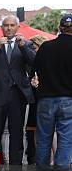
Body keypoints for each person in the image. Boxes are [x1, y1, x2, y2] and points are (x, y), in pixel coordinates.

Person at [0, 15, 35, 171]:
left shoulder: (26, 44)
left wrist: (24, 46)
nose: (9, 28)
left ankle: (16, 168)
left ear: (18, 28)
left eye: (12, 25)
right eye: (6, 25)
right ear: (1, 28)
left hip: (17, 94)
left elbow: (34, 62)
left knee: (17, 131)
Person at [33, 13, 72, 171]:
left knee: (44, 137)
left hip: (46, 98)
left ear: (60, 27)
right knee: (65, 137)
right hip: (68, 99)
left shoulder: (46, 47)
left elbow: (35, 70)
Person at [25, 35, 48, 164]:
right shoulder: (29, 62)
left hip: (45, 99)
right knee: (32, 129)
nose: (32, 51)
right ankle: (33, 156)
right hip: (32, 99)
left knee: (48, 131)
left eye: (34, 48)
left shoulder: (48, 61)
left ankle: (50, 160)